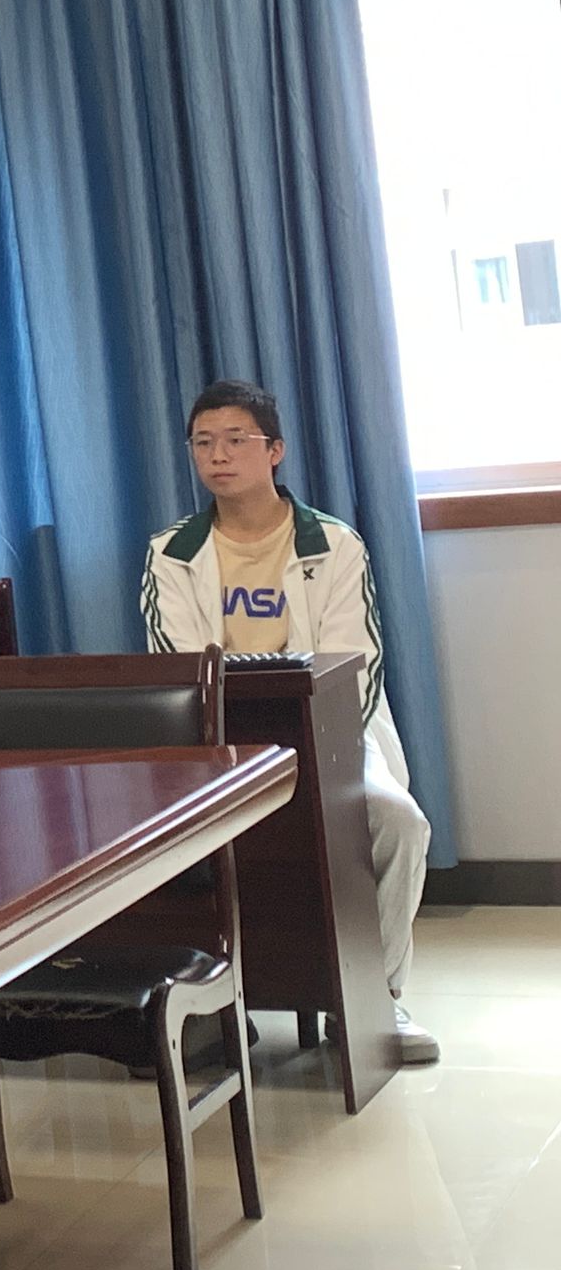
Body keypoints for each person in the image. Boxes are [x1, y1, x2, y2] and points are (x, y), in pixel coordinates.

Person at [143, 377, 438, 1065]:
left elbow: (352, 665)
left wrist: (312, 746)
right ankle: (214, 1002)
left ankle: (377, 997)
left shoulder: (333, 544)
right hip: (220, 746)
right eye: (203, 443)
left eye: (235, 440)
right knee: (167, 833)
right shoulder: (172, 552)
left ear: (275, 451)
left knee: (399, 824)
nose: (218, 455)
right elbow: (183, 671)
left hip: (333, 737)